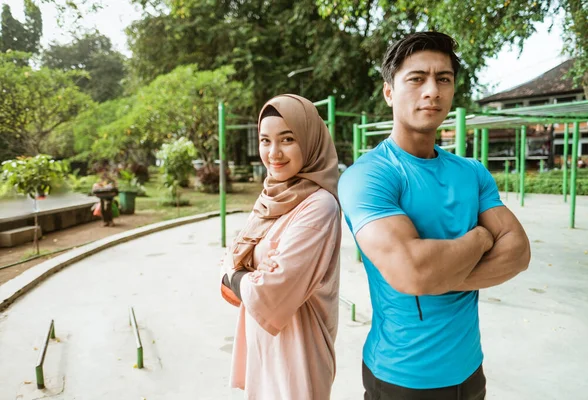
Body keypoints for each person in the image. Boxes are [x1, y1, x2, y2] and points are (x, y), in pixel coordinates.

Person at [338, 32, 531, 400]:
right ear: (389, 92)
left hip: (470, 369)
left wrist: (436, 276)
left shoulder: (471, 171)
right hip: (401, 375)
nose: (433, 91)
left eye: (444, 79)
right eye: (416, 79)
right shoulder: (369, 175)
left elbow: (519, 252)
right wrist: (480, 238)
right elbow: (413, 271)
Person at [219, 94, 342, 399]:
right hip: (263, 345)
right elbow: (236, 255)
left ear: (310, 140)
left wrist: (234, 276)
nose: (274, 153)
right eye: (265, 140)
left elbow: (269, 290)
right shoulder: (272, 197)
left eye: (287, 139)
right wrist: (245, 272)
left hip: (299, 353)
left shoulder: (319, 206)